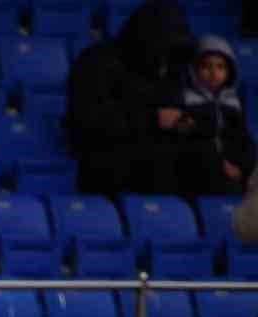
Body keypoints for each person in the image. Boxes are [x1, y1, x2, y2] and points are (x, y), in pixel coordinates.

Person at [66, 0, 197, 196]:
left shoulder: (169, 66)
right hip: (103, 154)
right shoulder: (97, 61)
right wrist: (152, 119)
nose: (165, 57)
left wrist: (182, 122)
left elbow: (174, 108)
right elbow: (89, 119)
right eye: (163, 47)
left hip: (156, 157)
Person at [160, 36, 256, 197]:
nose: (214, 73)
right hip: (197, 174)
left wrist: (241, 167)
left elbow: (242, 139)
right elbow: (187, 137)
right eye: (206, 66)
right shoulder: (184, 99)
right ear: (194, 69)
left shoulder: (232, 103)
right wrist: (219, 163)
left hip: (232, 175)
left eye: (220, 67)